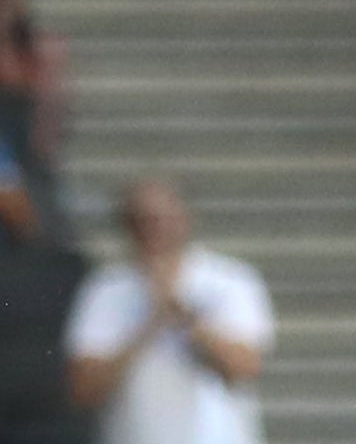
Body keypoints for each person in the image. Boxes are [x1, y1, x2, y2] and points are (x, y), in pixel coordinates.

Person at [64, 178, 275, 444]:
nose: (154, 230)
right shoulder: (105, 290)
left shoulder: (231, 280)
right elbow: (84, 389)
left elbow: (245, 369)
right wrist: (148, 324)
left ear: (185, 218)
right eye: (142, 220)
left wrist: (186, 319)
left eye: (162, 219)